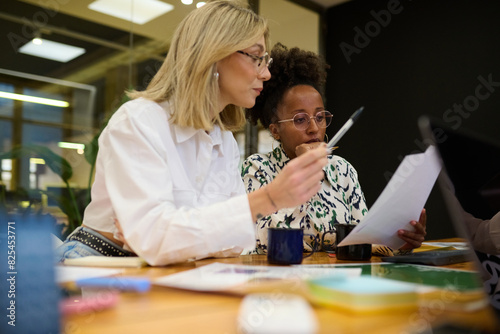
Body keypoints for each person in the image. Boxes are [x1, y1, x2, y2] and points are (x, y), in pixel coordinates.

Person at [55, 1, 328, 266]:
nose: (266, 73)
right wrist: (267, 198)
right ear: (214, 55)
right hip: (100, 268)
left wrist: (173, 235)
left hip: (170, 270)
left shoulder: (224, 141)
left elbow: (237, 245)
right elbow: (156, 239)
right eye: (257, 58)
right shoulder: (139, 121)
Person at [242, 43, 426, 254]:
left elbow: (364, 240)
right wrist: (304, 174)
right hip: (283, 282)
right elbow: (266, 243)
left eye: (320, 117)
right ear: (275, 130)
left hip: (339, 282)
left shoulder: (342, 170)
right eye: (300, 119)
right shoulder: (257, 168)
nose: (313, 128)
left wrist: (400, 242)